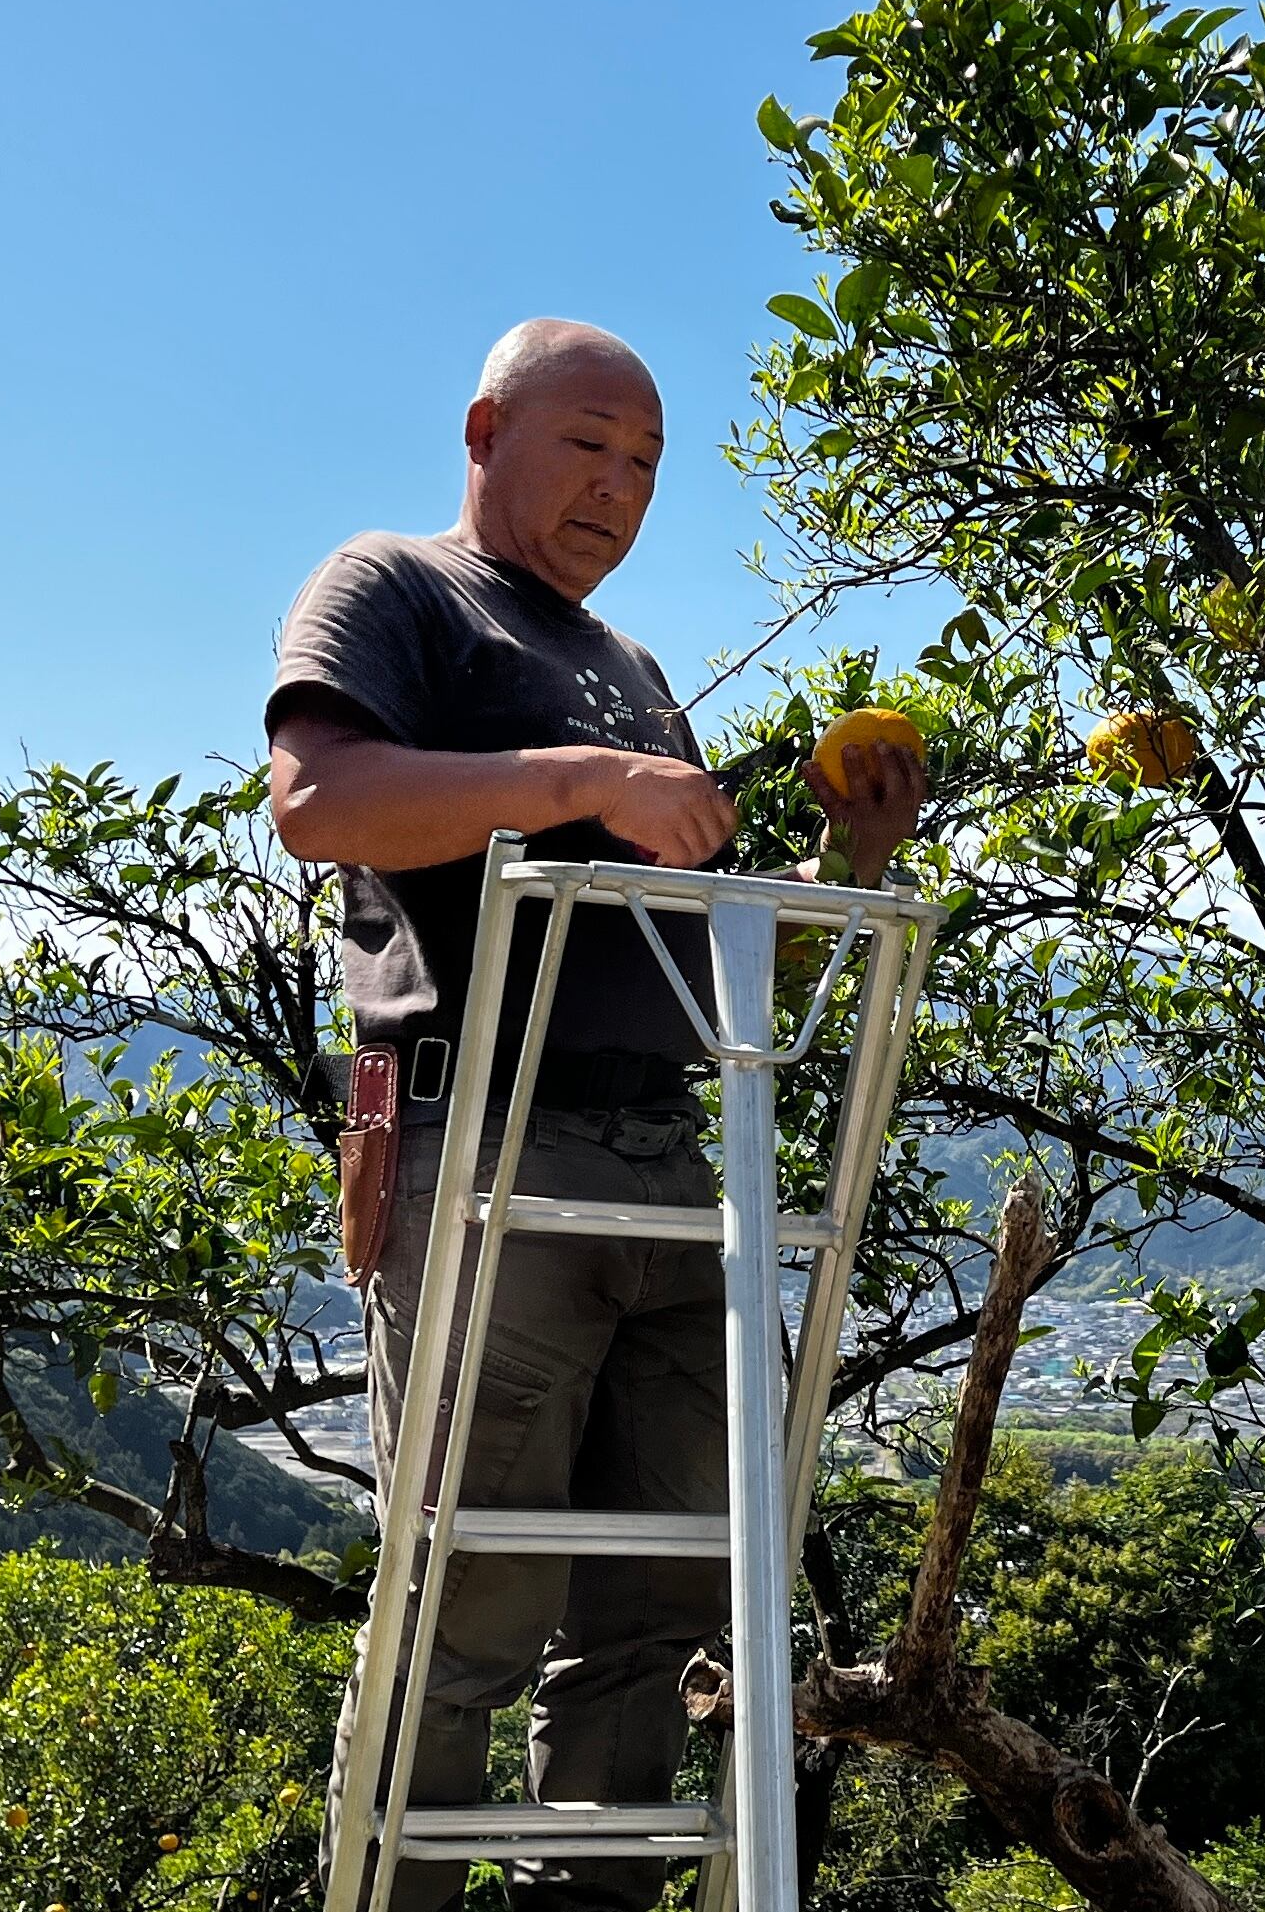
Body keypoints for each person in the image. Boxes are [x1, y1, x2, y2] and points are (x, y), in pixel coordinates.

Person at [267, 317, 920, 1912]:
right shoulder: (393, 585)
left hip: (668, 1154)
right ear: (485, 428)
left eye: (645, 464)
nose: (618, 488)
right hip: (485, 1135)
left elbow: (688, 948)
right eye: (587, 444)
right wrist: (583, 780)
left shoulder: (631, 674)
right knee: (469, 1588)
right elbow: (317, 804)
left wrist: (853, 871)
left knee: (667, 1587)